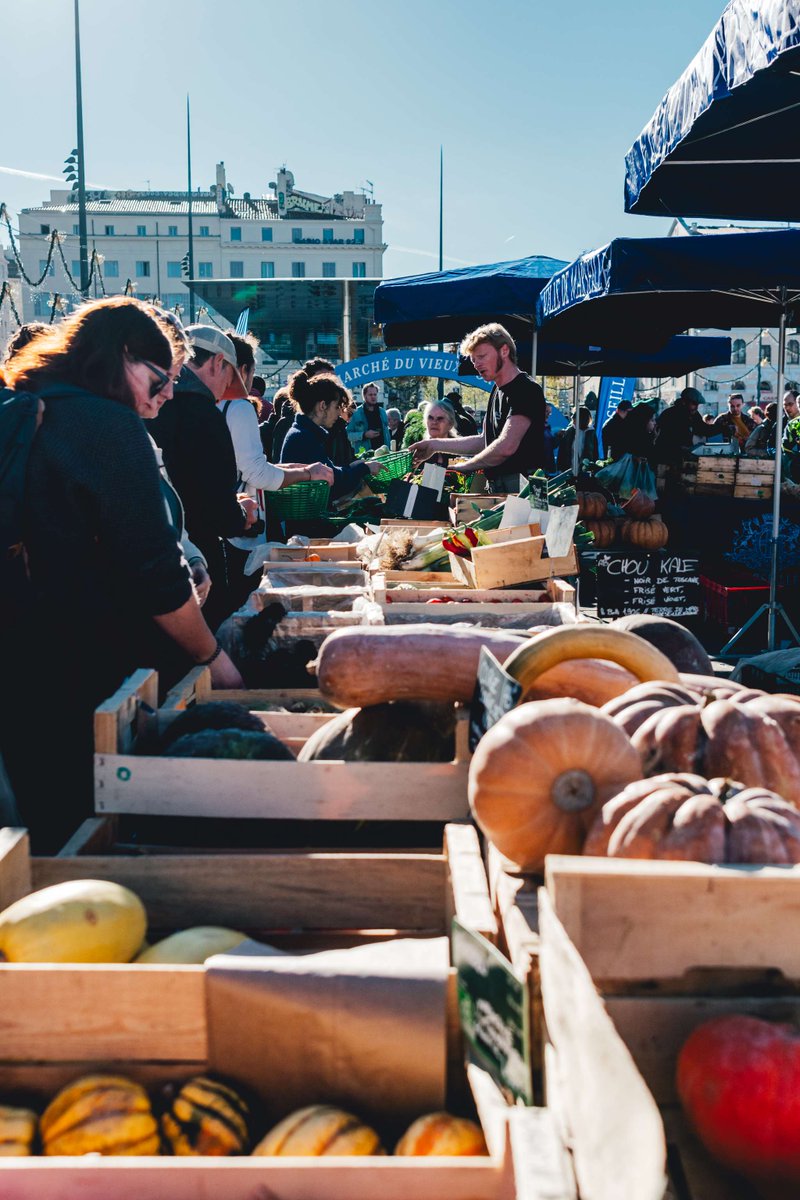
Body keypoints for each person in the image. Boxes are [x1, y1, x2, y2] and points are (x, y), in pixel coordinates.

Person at [0, 297, 242, 853]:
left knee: (47, 834)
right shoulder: (105, 424)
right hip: (87, 675)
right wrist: (212, 657)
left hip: (23, 666)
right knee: (92, 838)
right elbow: (154, 576)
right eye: (160, 380)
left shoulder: (31, 402)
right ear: (121, 357)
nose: (168, 395)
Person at [148, 324, 260, 630]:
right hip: (197, 563)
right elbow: (217, 510)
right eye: (228, 376)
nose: (226, 388)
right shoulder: (203, 414)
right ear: (217, 363)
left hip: (162, 558)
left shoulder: (155, 406)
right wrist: (242, 514)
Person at [217, 332, 334, 610]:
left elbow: (244, 465)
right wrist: (306, 474)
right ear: (243, 370)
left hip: (216, 524)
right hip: (240, 528)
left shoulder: (210, 406)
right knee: (242, 604)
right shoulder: (239, 408)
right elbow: (256, 474)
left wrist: (298, 468)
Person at [411, 323, 546, 492]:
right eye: (474, 359)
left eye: (481, 356)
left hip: (525, 487)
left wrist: (465, 467)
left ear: (504, 351)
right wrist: (434, 445)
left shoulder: (526, 389)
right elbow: (485, 440)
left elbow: (506, 447)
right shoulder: (497, 389)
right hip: (501, 486)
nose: (476, 364)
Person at [280, 371, 384, 500]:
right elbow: (334, 482)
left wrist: (353, 467)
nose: (339, 414)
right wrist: (364, 468)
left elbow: (329, 472)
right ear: (323, 406)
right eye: (336, 407)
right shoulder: (304, 437)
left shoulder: (303, 433)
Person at [652, 386, 708, 466]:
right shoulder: (670, 415)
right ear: (684, 402)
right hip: (667, 459)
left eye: (697, 404)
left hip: (683, 458)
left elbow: (703, 429)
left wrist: (721, 427)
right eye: (694, 404)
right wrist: (680, 448)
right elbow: (664, 440)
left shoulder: (694, 415)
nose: (696, 407)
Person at [347, 382, 390, 454]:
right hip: (365, 455)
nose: (373, 397)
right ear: (364, 396)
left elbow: (387, 434)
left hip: (383, 455)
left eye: (375, 394)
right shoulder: (355, 413)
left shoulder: (382, 412)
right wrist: (364, 435)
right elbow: (348, 435)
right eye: (370, 395)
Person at [556, 406, 599, 471]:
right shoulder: (569, 431)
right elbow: (562, 451)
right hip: (569, 469)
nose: (573, 421)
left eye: (575, 418)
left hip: (585, 470)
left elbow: (595, 452)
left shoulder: (591, 433)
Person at [422, 400, 459, 467]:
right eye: (430, 418)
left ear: (450, 424)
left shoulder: (459, 450)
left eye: (440, 419)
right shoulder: (420, 451)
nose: (434, 422)